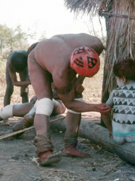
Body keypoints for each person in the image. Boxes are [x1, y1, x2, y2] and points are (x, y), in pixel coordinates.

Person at [28, 33, 111, 166]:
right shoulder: (61, 73)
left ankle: (70, 146)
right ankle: (43, 151)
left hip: (58, 53)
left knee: (78, 96)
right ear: (72, 66)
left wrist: (79, 80)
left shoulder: (95, 44)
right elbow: (70, 104)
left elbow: (76, 91)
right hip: (37, 59)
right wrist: (95, 107)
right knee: (45, 103)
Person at [0, 95, 66, 134]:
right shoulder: (42, 70)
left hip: (58, 104)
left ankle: (17, 128)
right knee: (7, 110)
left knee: (44, 100)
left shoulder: (58, 68)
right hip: (41, 102)